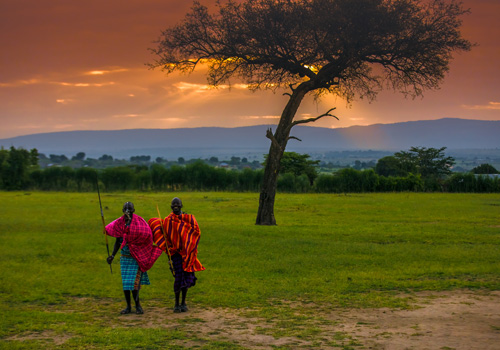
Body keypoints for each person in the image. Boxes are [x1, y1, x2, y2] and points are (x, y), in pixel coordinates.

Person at [148, 197, 205, 313]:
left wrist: (189, 246)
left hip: (188, 254)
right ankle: (176, 304)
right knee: (178, 278)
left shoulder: (188, 219)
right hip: (175, 254)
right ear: (170, 207)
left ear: (181, 206)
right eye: (173, 205)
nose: (175, 206)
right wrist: (169, 252)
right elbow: (166, 238)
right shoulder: (168, 221)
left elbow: (196, 232)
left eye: (177, 205)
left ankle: (183, 303)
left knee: (187, 277)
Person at [106, 201, 163, 314]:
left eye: (130, 210)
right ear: (123, 211)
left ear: (133, 211)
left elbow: (147, 236)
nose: (128, 212)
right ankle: (128, 307)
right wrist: (112, 255)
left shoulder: (139, 222)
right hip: (125, 257)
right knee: (126, 284)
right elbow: (118, 241)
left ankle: (138, 306)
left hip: (136, 257)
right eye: (126, 210)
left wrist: (139, 249)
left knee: (135, 284)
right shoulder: (120, 223)